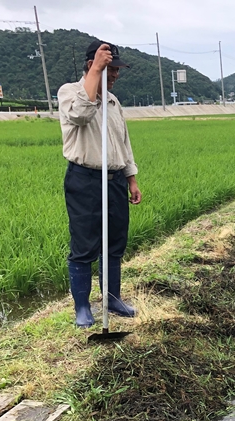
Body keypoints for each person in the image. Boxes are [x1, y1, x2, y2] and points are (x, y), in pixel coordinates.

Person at [57, 41, 141, 328]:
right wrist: (96, 70)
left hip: (115, 180)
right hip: (85, 179)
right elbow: (81, 115)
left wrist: (131, 179)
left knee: (114, 242)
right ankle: (82, 307)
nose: (115, 74)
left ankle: (112, 298)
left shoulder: (114, 102)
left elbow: (123, 143)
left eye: (116, 69)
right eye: (110, 68)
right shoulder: (70, 92)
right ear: (92, 65)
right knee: (84, 244)